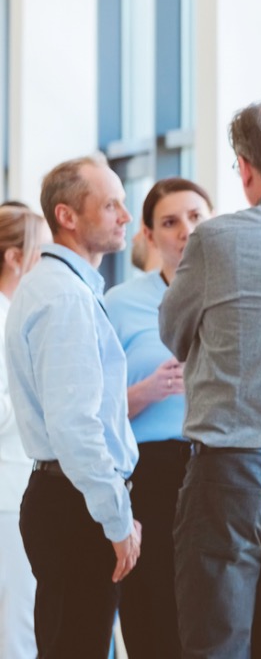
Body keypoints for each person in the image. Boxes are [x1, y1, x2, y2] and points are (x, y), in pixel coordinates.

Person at [159, 99, 261, 658]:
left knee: (216, 646)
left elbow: (175, 333)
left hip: (231, 478)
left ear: (246, 168)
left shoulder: (217, 239)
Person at [7, 155, 142, 658]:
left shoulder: (58, 287)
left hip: (69, 497)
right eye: (110, 205)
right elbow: (77, 427)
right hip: (74, 503)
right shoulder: (64, 298)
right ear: (67, 216)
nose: (125, 216)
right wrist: (116, 519)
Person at [105, 178, 212, 659]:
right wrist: (147, 392)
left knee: (215, 613)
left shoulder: (234, 293)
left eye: (196, 217)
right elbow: (93, 412)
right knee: (153, 612)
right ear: (148, 235)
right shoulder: (118, 304)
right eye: (170, 222)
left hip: (220, 468)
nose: (186, 230)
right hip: (149, 474)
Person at [0, 205, 49, 659]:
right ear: (16, 257)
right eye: (39, 250)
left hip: (14, 484)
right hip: (7, 489)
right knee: (17, 623)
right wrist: (42, 403)